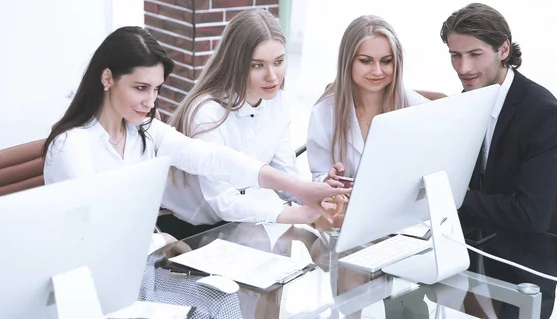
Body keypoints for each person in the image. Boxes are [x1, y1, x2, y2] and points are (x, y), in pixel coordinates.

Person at [42, 26, 349, 234]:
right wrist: (160, 241)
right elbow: (94, 230)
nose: (150, 101)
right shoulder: (71, 147)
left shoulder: (145, 131)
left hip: (139, 263)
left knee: (225, 304)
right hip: (99, 280)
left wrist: (301, 190)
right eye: (140, 88)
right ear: (107, 78)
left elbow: (213, 159)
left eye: (156, 90)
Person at [161, 9, 341, 239]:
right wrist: (299, 214)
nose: (273, 76)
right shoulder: (207, 113)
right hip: (185, 229)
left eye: (278, 62)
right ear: (236, 63)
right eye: (258, 65)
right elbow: (223, 201)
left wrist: (318, 195)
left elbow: (285, 174)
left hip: (234, 225)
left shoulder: (277, 102)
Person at [439, 2, 557, 240]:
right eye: (456, 56)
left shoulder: (542, 112)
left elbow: (530, 215)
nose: (464, 68)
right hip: (480, 241)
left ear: (503, 50)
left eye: (475, 54)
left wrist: (453, 197)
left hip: (539, 250)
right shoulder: (463, 103)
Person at [307, 15, 428, 188]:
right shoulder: (323, 112)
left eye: (386, 61)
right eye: (366, 61)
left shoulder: (419, 109)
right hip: (348, 211)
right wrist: (328, 181)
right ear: (347, 62)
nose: (377, 71)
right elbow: (319, 175)